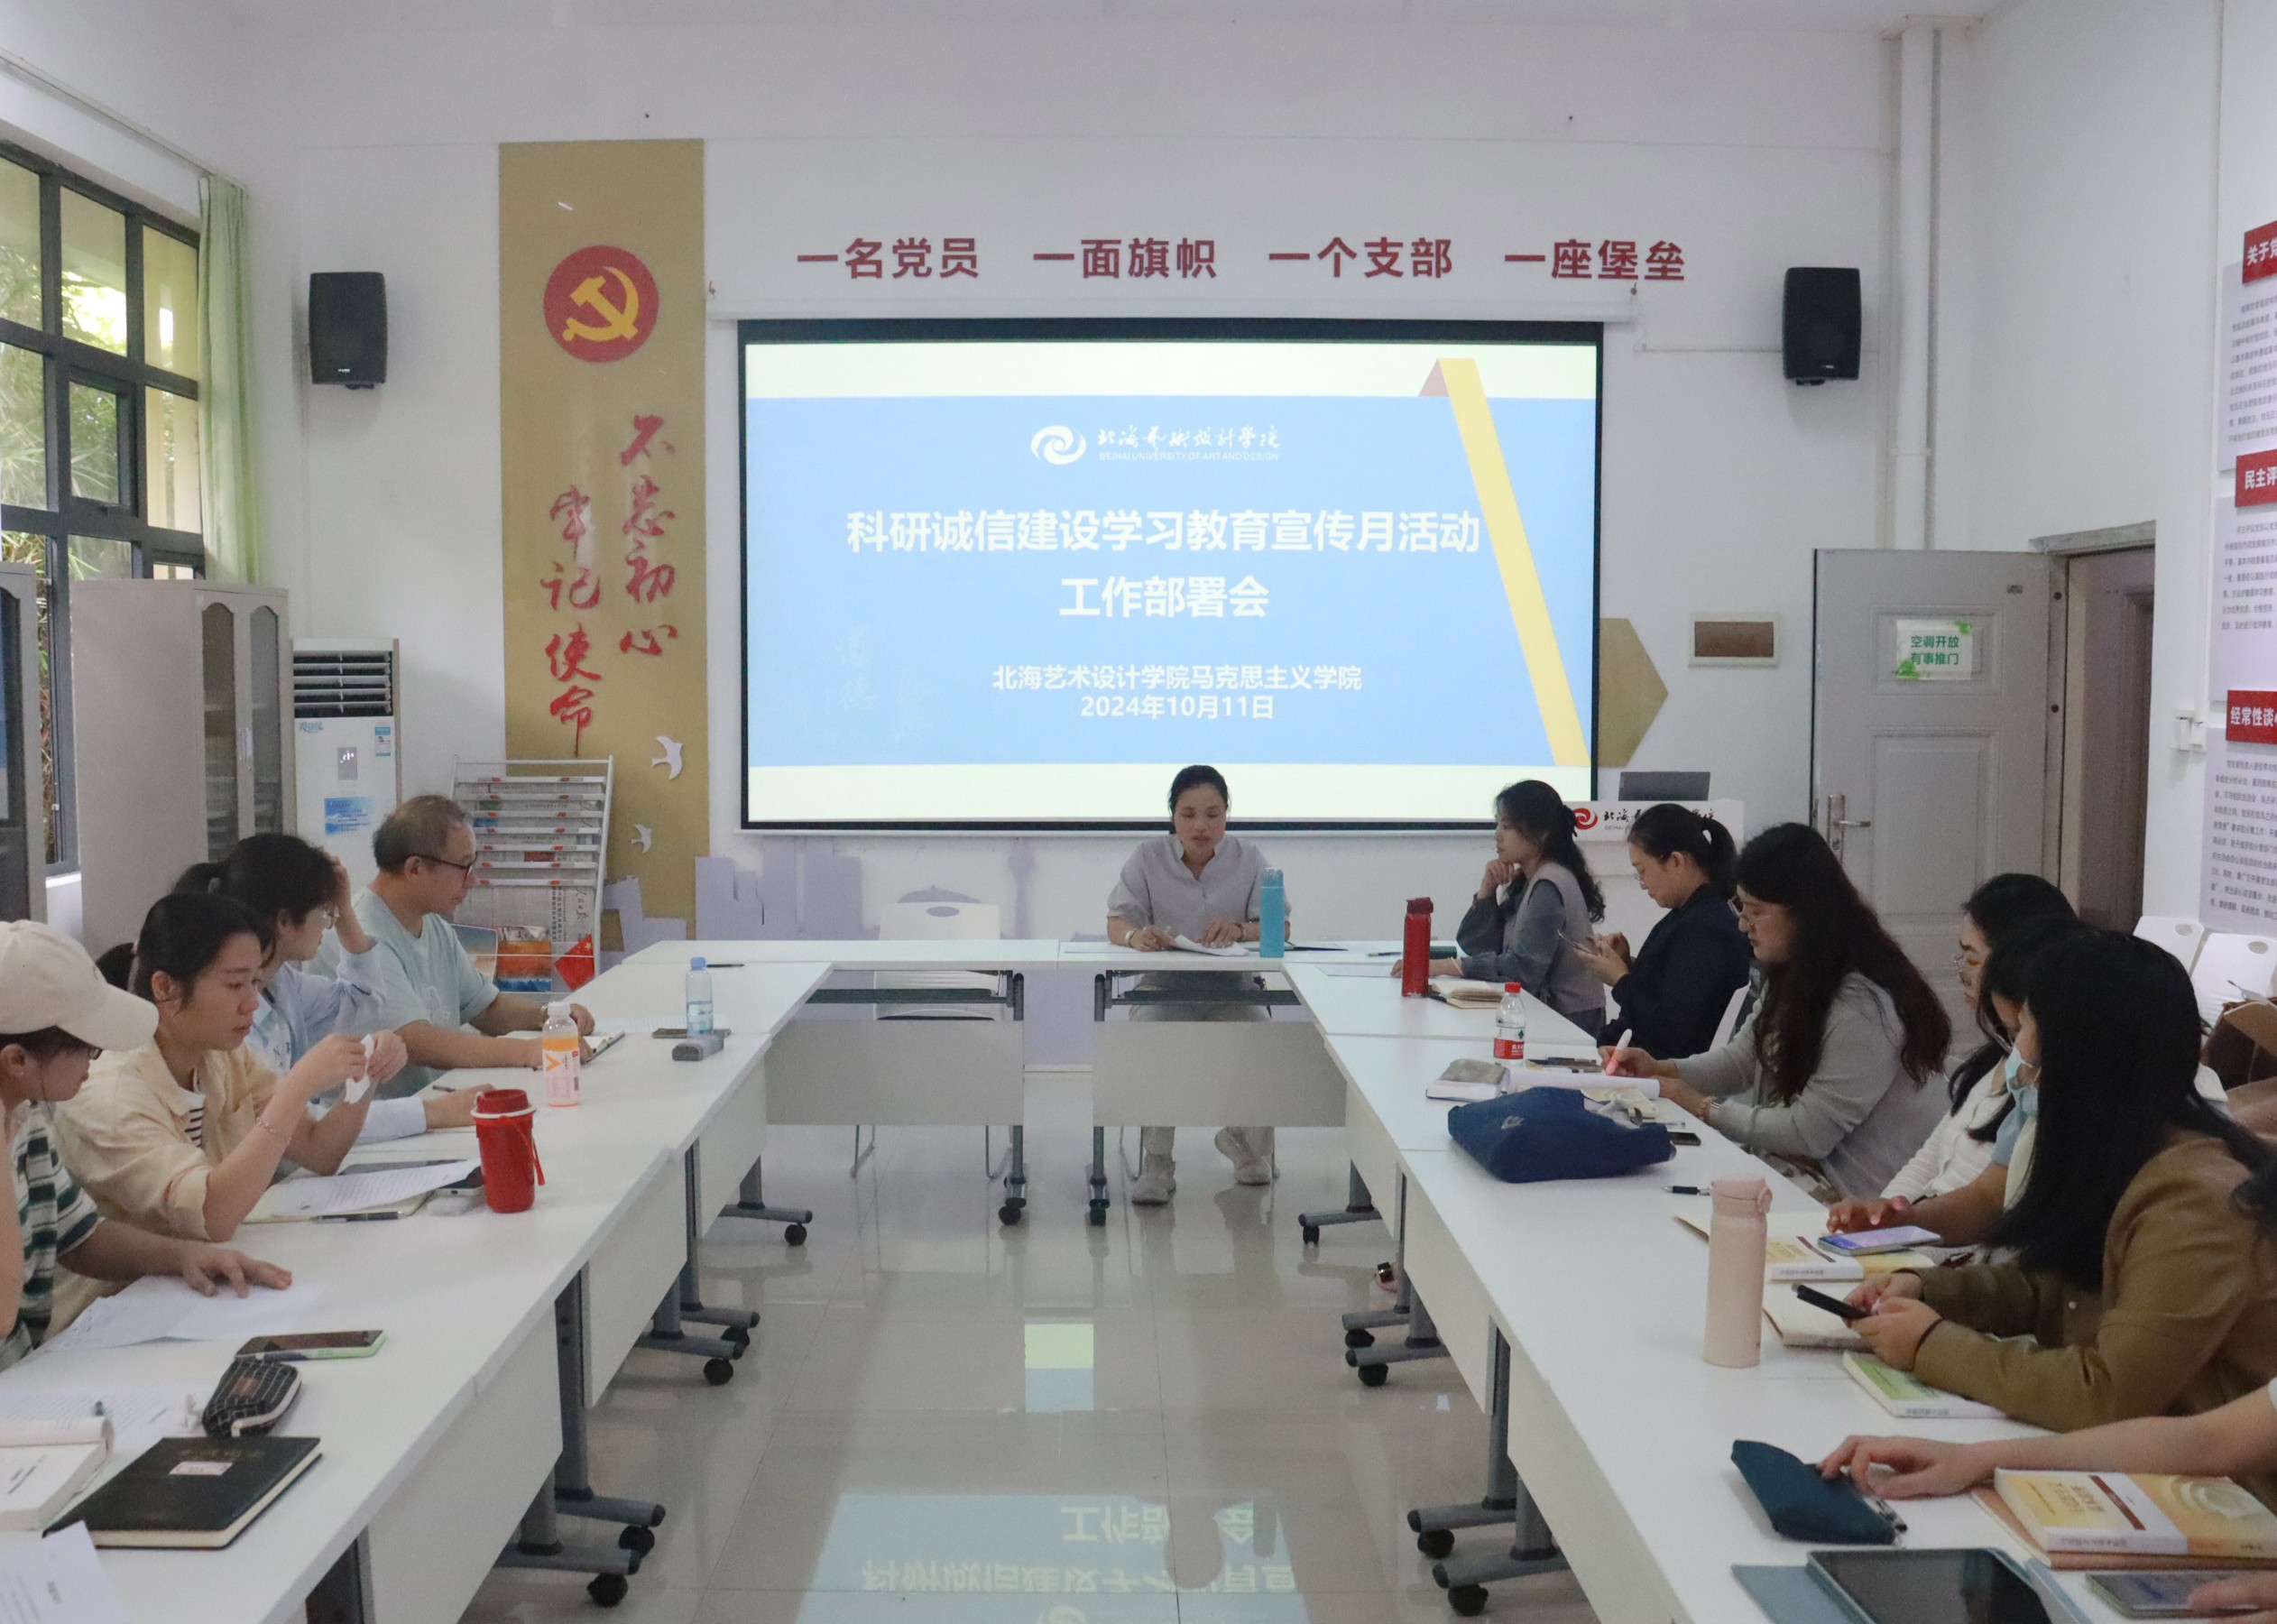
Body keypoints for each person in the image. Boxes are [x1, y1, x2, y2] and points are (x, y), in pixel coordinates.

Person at [1838, 929, 2277, 1447]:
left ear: (2080, 1056)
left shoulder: (2195, 1201)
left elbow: (2106, 1395)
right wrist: (1925, 1290)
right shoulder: (2123, 1151)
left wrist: (1930, 1345)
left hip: (2219, 1484)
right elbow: (2055, 1291)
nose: (2018, 1057)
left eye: (2024, 1029)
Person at [1603, 823, 1950, 1201]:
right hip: (1797, 1169)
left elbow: (1808, 1133)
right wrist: (1661, 1068)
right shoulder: (1795, 974)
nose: (1743, 924)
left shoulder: (1863, 1006)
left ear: (1806, 913)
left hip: (1853, 1195)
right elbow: (1741, 1061)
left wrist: (1701, 1105)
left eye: (1756, 911)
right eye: (1741, 907)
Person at [0, 922, 290, 1369]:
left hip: (26, 1370)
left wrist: (184, 1256)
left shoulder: (28, 1115)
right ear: (17, 1060)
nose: (95, 1062)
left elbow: (79, 1235)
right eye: (88, 1050)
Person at [57, 892, 393, 1241]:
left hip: (211, 1263)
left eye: (256, 983)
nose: (252, 1003)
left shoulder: (223, 1055)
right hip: (143, 1276)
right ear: (166, 988)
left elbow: (320, 1151)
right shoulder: (110, 1093)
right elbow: (211, 1217)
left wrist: (367, 1069)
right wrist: (298, 1087)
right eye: (234, 985)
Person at [178, 833, 479, 1138]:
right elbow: (304, 1128)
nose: (329, 924)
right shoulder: (236, 1020)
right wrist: (432, 1112)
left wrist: (345, 910)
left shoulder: (283, 985)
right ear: (285, 921)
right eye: (324, 912)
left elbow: (364, 1004)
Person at [1824, 875, 2077, 1235]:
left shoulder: (2046, 1086)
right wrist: (1885, 1215)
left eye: (1972, 959)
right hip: (1931, 1239)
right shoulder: (1995, 1063)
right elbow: (1932, 1163)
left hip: (1960, 1251)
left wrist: (1901, 1228)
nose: (1962, 973)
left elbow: (1990, 1207)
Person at [1106, 765, 1277, 1203]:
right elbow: (1117, 921)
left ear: (1227, 814)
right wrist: (1135, 936)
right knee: (1155, 1039)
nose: (1201, 826)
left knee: (1261, 1036)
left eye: (1213, 814)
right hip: (1165, 989)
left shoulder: (1250, 858)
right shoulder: (1147, 857)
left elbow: (1279, 926)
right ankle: (1157, 1162)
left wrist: (1240, 929)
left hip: (1232, 989)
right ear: (1173, 817)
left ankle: (1243, 1143)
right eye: (1188, 815)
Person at [349, 796, 591, 1094]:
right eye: (464, 866)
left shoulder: (432, 924)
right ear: (415, 868)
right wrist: (529, 1051)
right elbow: (415, 1040)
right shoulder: (362, 934)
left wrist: (551, 1018)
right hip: (382, 1115)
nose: (473, 880)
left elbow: (486, 1008)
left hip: (435, 1099)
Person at [1568, 803, 1749, 1057]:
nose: (1643, 885)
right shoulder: (1691, 915)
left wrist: (1620, 979)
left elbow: (1667, 1028)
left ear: (1675, 861)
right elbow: (1672, 984)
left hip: (1662, 1068)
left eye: (1642, 871)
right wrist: (1627, 964)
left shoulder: (1707, 928)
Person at [1431, 780, 1606, 1031]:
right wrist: (1487, 891)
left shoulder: (1548, 884)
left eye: (1507, 826)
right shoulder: (1529, 879)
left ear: (1541, 833)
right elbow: (1477, 947)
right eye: (1497, 824)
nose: (1497, 834)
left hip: (1569, 1021)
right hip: (1546, 1013)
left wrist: (1449, 966)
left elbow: (1522, 969)